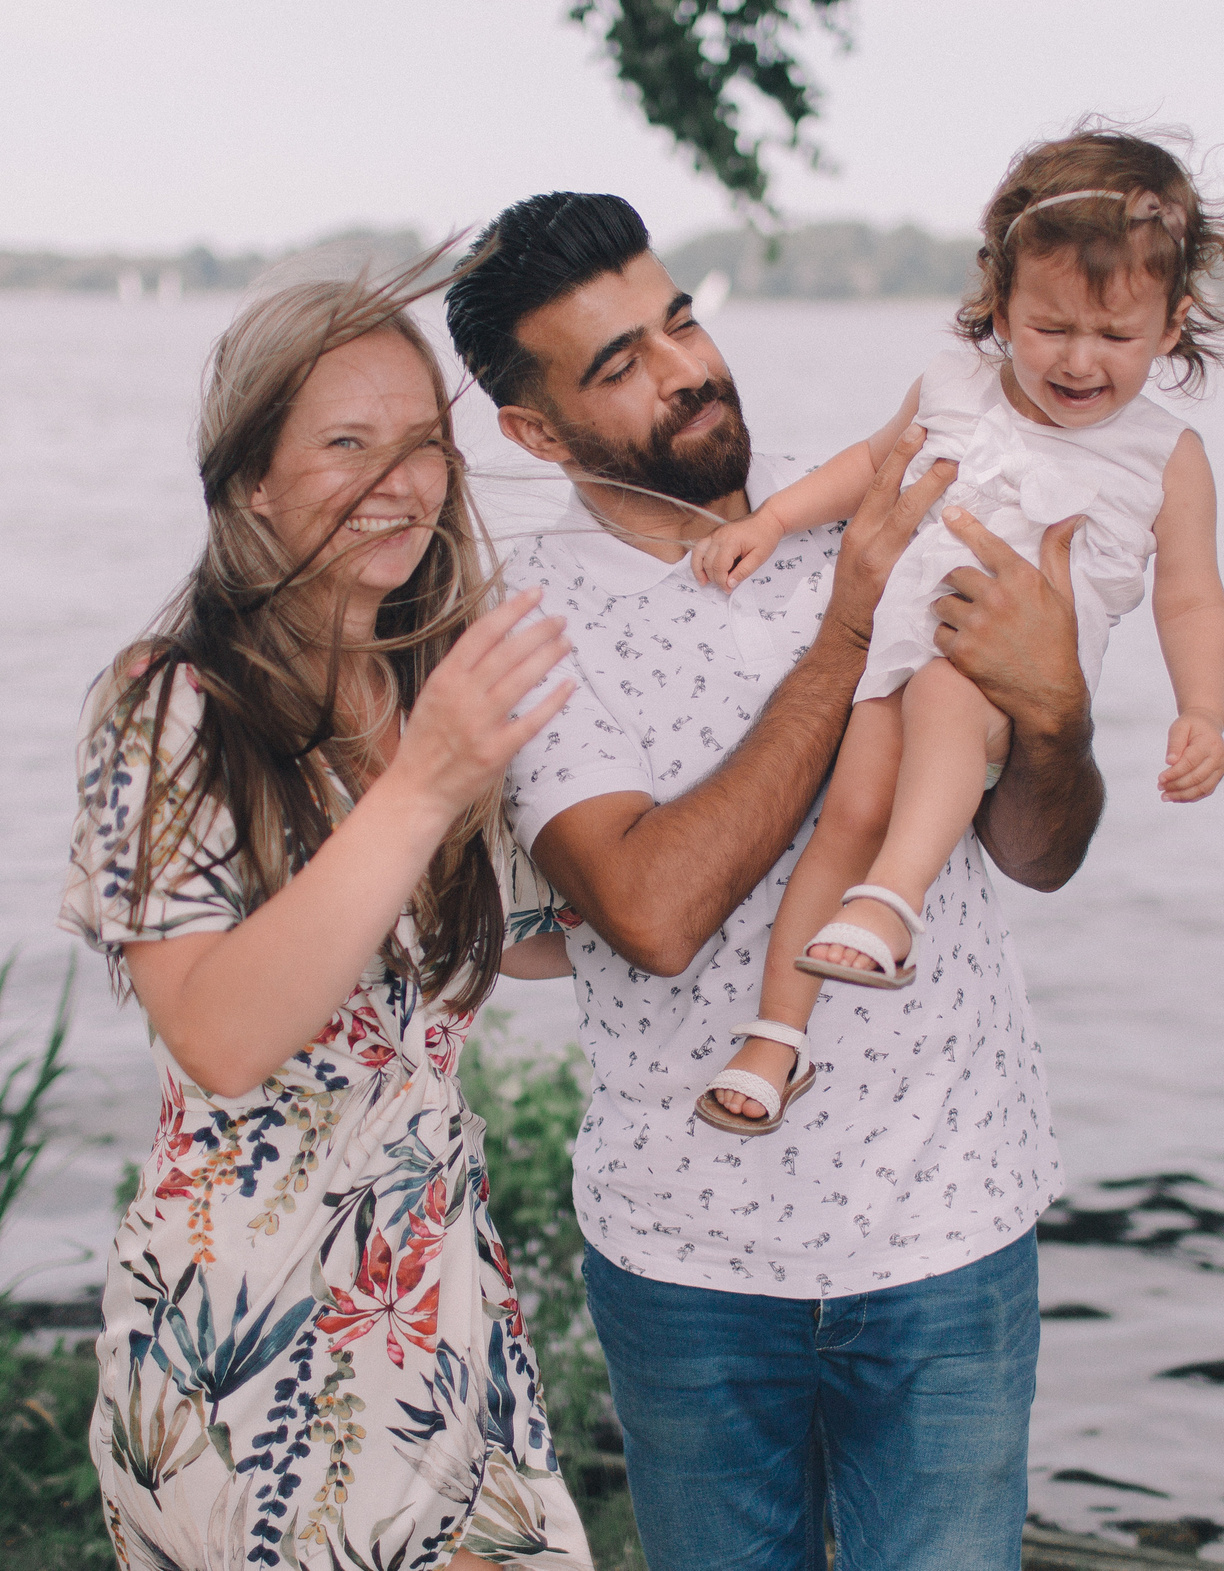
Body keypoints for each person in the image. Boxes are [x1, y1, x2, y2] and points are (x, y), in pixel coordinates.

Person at [442, 192, 1106, 1571]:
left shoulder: (892, 497)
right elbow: (654, 908)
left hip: (949, 1218)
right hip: (693, 1261)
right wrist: (850, 621)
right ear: (534, 430)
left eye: (678, 318)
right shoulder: (524, 629)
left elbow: (1037, 852)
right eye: (618, 363)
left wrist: (1057, 719)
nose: (685, 368)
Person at [59, 268, 594, 1571]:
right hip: (255, 1348)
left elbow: (534, 935)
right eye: (347, 442)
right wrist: (425, 781)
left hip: (440, 1314)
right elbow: (219, 1032)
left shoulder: (427, 673)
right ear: (252, 477)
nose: (398, 481)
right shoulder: (173, 706)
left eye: (421, 441)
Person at [689, 127, 1224, 1129]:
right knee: (849, 812)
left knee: (951, 693)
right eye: (1049, 328)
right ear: (998, 306)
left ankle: (891, 905)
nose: (1080, 361)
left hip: (1012, 678)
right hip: (900, 645)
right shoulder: (951, 384)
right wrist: (770, 519)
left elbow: (1191, 595)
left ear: (1171, 327)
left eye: (1115, 337)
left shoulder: (1166, 455)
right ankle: (776, 1040)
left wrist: (1200, 710)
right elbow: (869, 462)